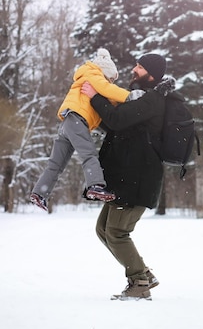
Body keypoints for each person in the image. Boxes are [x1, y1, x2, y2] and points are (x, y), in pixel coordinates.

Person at [81, 53, 173, 301]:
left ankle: (139, 282)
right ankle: (143, 275)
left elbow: (118, 120)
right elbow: (114, 126)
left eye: (140, 67)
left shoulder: (153, 99)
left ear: (151, 74)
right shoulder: (139, 98)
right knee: (103, 230)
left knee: (117, 232)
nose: (134, 69)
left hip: (138, 177)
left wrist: (95, 97)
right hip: (124, 176)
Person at [30, 48, 131, 211]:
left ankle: (39, 192)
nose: (110, 82)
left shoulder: (89, 78)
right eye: (110, 79)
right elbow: (108, 90)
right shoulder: (93, 74)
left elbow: (109, 100)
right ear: (105, 72)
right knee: (89, 154)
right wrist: (130, 96)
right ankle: (96, 185)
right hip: (76, 120)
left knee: (56, 163)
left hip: (67, 124)